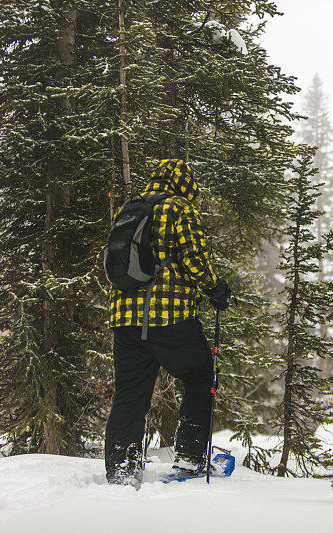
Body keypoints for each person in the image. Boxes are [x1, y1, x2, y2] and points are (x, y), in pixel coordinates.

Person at [104, 159, 231, 487]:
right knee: (200, 376)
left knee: (130, 395)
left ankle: (122, 470)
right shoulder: (180, 207)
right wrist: (215, 288)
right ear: (184, 183)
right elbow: (193, 258)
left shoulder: (131, 207)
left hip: (125, 318)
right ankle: (190, 459)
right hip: (168, 316)